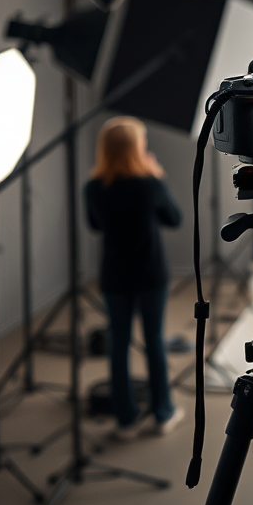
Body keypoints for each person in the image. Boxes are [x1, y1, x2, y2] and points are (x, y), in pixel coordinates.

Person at [85, 116, 184, 441]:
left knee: (119, 345)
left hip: (115, 275)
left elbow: (95, 226)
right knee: (154, 342)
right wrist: (157, 176)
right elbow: (174, 218)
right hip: (150, 274)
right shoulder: (149, 184)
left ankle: (125, 419)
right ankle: (162, 413)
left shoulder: (94, 188)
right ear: (134, 148)